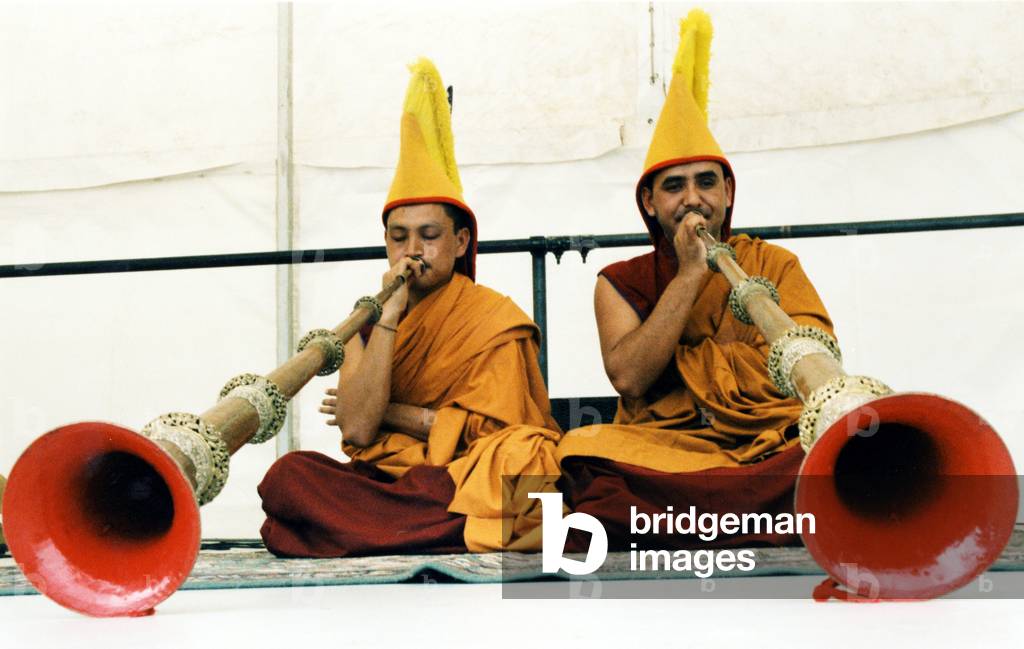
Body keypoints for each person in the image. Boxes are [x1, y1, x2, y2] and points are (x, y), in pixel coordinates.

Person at [555, 9, 837, 550]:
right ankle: (762, 519)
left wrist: (721, 381)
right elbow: (631, 380)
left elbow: (818, 369)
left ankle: (705, 519)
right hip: (666, 448)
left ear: (728, 193)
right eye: (674, 187)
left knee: (827, 449)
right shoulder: (620, 280)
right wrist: (688, 276)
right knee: (581, 454)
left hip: (764, 443)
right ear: (649, 202)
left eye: (706, 182)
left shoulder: (773, 264)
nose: (692, 199)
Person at [259, 58, 562, 558]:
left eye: (429, 236)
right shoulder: (367, 319)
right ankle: (442, 532)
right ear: (385, 243)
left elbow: (505, 431)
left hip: (466, 474)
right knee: (288, 478)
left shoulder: (493, 317)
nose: (413, 251)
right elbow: (357, 431)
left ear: (461, 241)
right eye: (399, 238)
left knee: (527, 458)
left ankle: (392, 533)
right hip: (395, 482)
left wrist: (394, 413)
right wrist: (389, 320)